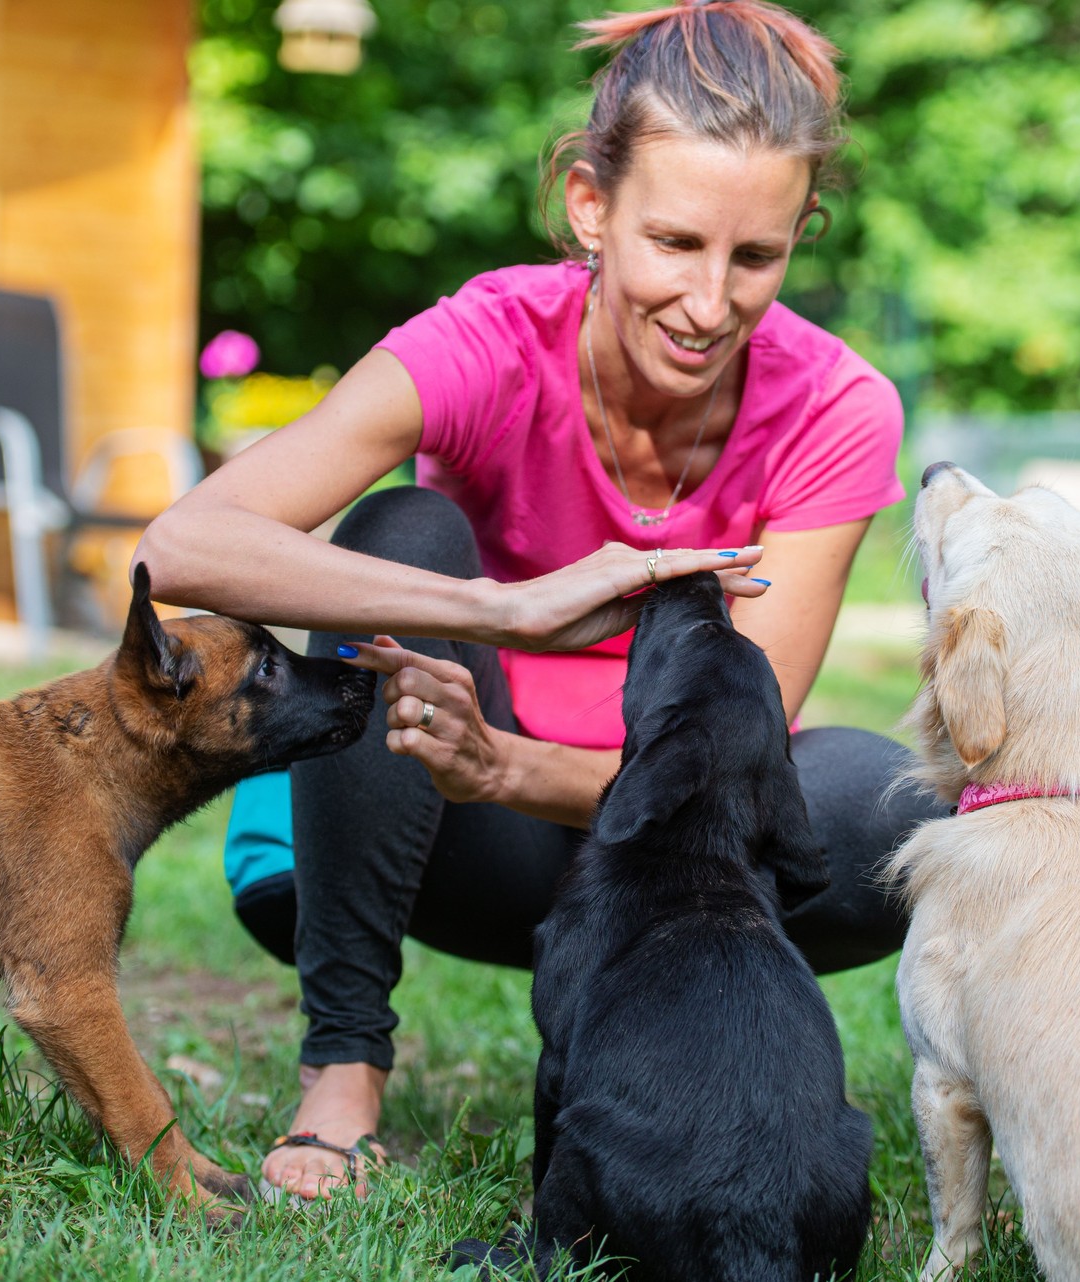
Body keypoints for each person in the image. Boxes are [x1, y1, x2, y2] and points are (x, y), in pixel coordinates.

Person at [135, 0, 944, 1202]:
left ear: (799, 236)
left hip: (644, 866)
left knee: (886, 804)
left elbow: (736, 755)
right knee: (405, 529)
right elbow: (183, 546)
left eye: (756, 257)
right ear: (590, 206)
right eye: (675, 243)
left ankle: (644, 1031)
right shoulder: (490, 341)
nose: (712, 302)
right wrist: (509, 612)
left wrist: (506, 764)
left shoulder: (837, 405)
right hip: (422, 850)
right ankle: (342, 1069)